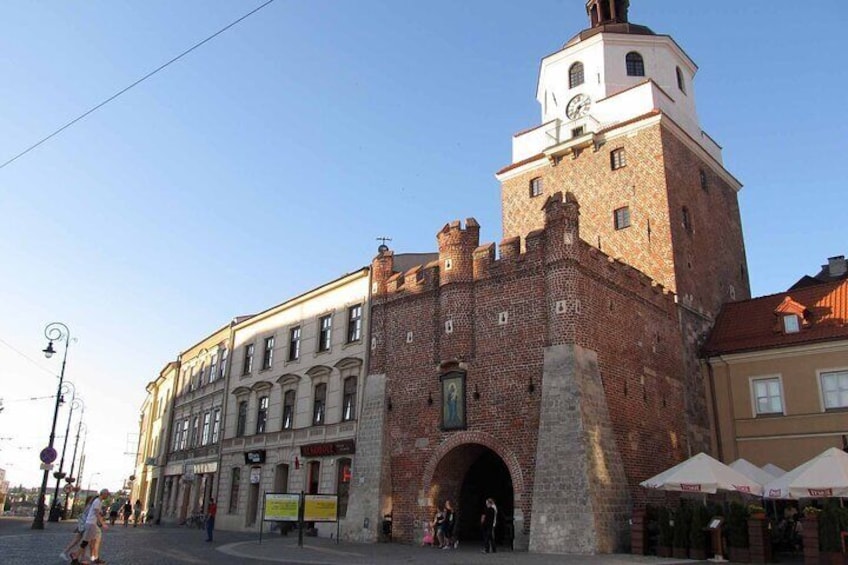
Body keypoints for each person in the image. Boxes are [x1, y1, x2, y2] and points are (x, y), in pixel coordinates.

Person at [71, 488, 109, 565]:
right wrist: (103, 524)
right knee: (86, 542)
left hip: (92, 524)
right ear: (103, 494)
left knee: (94, 540)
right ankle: (75, 556)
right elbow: (96, 513)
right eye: (107, 494)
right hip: (91, 523)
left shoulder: (99, 501)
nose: (107, 496)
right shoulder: (97, 501)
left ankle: (94, 557)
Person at [59, 495, 94, 562]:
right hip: (85, 527)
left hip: (82, 526)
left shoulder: (87, 507)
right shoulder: (90, 507)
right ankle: (81, 557)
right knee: (84, 542)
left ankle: (65, 552)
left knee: (78, 541)